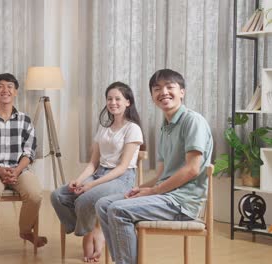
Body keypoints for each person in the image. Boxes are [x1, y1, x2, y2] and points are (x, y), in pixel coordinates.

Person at [95, 69, 213, 264]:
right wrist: (141, 189)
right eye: (157, 89)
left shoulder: (193, 121)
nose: (163, 92)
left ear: (182, 91)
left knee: (118, 210)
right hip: (165, 196)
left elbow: (192, 169)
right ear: (152, 96)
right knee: (103, 204)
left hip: (183, 203)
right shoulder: (164, 127)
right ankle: (123, 261)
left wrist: (153, 191)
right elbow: (161, 175)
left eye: (169, 87)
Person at [50, 82, 143, 262]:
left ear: (128, 102)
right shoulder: (103, 128)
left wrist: (91, 185)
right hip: (99, 173)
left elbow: (123, 167)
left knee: (84, 199)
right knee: (57, 195)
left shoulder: (133, 129)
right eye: (109, 99)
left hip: (121, 178)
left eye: (118, 99)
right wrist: (79, 180)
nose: (113, 102)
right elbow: (93, 163)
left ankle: (88, 231)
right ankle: (91, 229)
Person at [0, 73, 47, 248]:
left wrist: (17, 171)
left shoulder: (25, 120)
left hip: (19, 170)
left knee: (35, 194)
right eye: (1, 86)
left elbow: (29, 152)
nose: (5, 90)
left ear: (16, 92)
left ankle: (26, 231)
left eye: (10, 86)